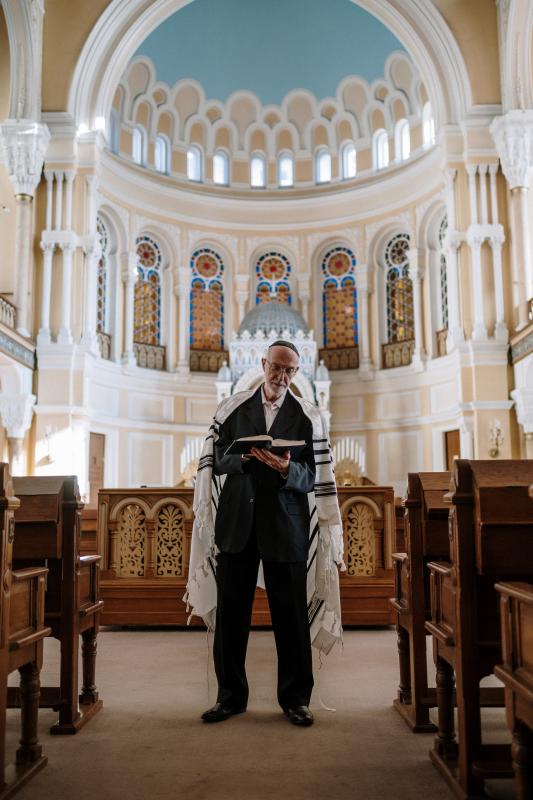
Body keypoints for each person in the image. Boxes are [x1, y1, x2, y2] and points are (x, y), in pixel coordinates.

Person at [202, 340, 317, 726]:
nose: (282, 376)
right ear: (263, 363)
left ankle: (296, 699)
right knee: (232, 616)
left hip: (284, 523)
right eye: (277, 367)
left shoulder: (303, 417)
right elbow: (215, 458)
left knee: (291, 618)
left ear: (296, 374)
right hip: (238, 521)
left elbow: (311, 476)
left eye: (290, 371)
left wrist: (286, 469)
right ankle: (230, 697)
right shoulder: (234, 409)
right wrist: (246, 458)